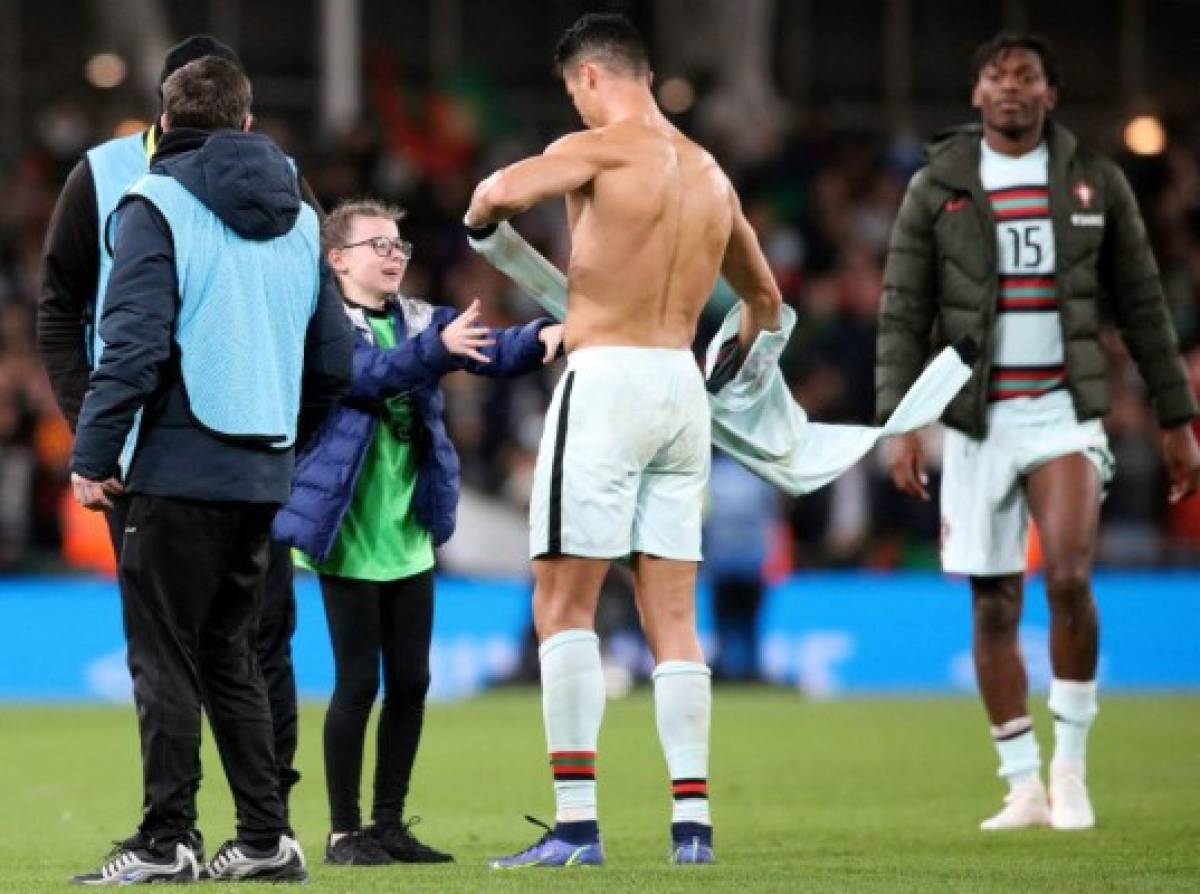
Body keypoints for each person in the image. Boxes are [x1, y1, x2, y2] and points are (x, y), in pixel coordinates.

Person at [464, 13, 782, 866]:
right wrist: (729, 372)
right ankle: (691, 829)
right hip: (681, 390)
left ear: (592, 78)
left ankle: (575, 827)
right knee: (673, 615)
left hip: (605, 377)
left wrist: (481, 211)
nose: (577, 100)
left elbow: (496, 198)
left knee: (562, 607)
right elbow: (767, 303)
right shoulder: (713, 177)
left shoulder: (600, 147)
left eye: (575, 89)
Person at [876, 33, 1200, 832]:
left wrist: (1177, 416)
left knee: (1066, 579)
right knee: (992, 603)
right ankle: (1021, 782)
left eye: (1027, 77)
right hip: (977, 421)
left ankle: (1073, 770)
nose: (1011, 88)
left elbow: (1144, 305)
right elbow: (901, 312)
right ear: (977, 95)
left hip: (1063, 409)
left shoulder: (1095, 183)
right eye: (997, 75)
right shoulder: (937, 187)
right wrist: (901, 424)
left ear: (1051, 94)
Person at [68, 57, 352, 883]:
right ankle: (265, 839)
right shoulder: (303, 217)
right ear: (248, 122)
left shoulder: (154, 203)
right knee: (232, 654)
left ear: (165, 122)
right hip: (261, 472)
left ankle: (167, 842)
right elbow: (332, 361)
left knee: (163, 658)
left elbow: (133, 343)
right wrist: (282, 442)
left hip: (178, 467)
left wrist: (93, 455)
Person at [273, 199, 564, 866]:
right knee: (356, 685)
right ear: (337, 259)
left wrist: (545, 336)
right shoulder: (321, 328)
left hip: (408, 531)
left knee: (411, 682)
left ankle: (388, 825)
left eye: (398, 242)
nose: (393, 253)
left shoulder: (420, 318)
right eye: (377, 243)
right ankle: (344, 832)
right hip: (346, 530)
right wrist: (436, 350)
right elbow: (367, 376)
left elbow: (489, 348)